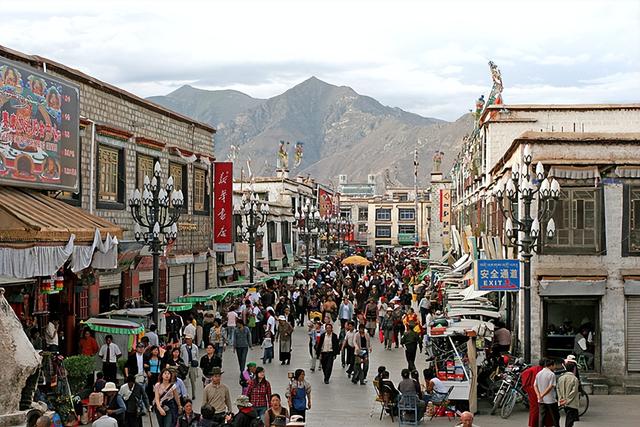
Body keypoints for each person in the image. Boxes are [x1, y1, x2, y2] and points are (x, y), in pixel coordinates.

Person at [534, 359, 560, 427]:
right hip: (550, 399)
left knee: (542, 416)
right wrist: (542, 395)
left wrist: (538, 395)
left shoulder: (539, 373)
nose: (555, 367)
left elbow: (535, 385)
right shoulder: (551, 374)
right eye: (554, 365)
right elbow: (550, 387)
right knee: (555, 416)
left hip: (541, 400)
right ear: (551, 365)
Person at [180, 334, 199, 399]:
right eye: (186, 339)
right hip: (185, 366)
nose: (187, 340)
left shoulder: (195, 347)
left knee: (193, 381)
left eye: (188, 339)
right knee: (186, 381)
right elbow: (181, 356)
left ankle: (193, 394)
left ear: (191, 340)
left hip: (192, 366)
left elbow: (197, 356)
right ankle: (186, 395)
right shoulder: (183, 347)